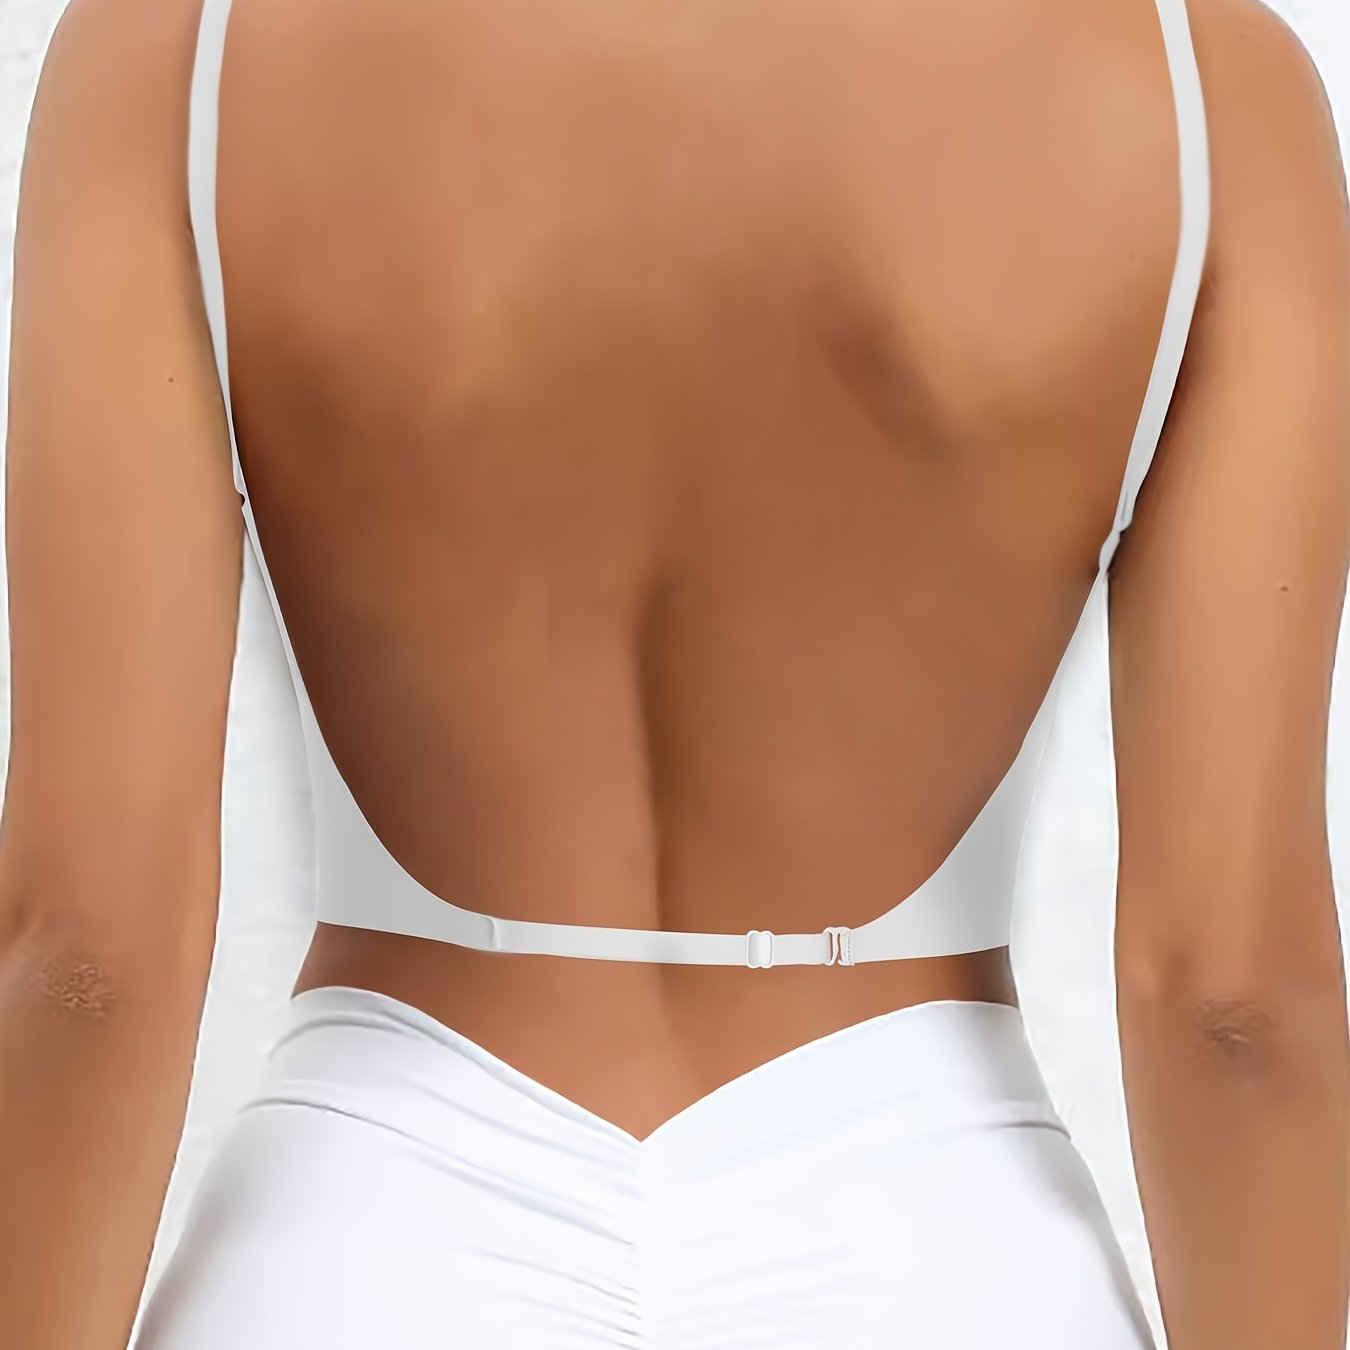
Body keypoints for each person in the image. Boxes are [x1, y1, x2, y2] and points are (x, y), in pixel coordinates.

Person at [2, 0, 1348, 1344]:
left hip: (361, 1251)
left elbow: (89, 948)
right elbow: (1233, 997)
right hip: (941, 1260)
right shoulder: (1202, 90)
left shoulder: (180, 52)